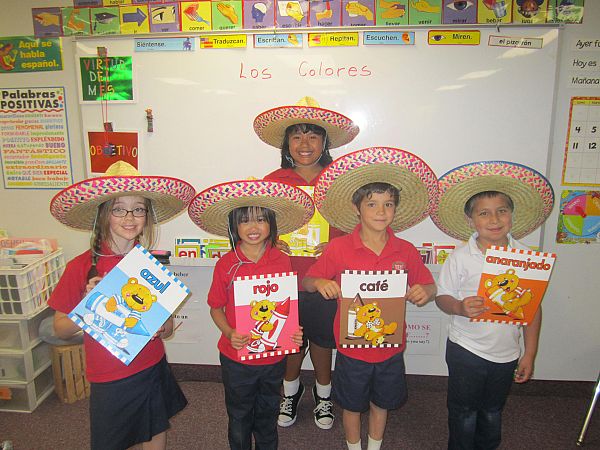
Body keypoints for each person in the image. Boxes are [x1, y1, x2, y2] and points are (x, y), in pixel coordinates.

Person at [48, 161, 195, 450]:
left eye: (138, 209)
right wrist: (89, 306)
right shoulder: (80, 267)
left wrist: (163, 327)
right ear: (103, 214)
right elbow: (60, 329)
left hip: (151, 364)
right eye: (119, 209)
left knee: (155, 426)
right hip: (109, 375)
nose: (130, 217)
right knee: (110, 440)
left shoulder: (149, 266)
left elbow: (166, 327)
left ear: (147, 216)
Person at [302, 147, 439, 450]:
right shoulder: (338, 248)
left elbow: (429, 285)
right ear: (357, 208)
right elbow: (308, 281)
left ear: (395, 209)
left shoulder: (405, 250)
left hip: (390, 348)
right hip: (351, 349)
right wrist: (320, 282)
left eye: (388, 204)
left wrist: (425, 291)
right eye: (372, 204)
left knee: (382, 403)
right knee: (351, 406)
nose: (381, 211)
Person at [430, 160, 555, 450]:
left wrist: (529, 353)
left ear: (512, 215)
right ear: (471, 221)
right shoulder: (461, 257)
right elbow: (442, 297)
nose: (494, 219)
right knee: (463, 409)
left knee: (492, 410)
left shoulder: (525, 258)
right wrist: (459, 307)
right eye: (484, 213)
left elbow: (532, 309)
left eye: (502, 210)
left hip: (506, 353)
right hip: (466, 348)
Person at [253, 96, 360, 429]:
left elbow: (357, 225)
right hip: (283, 275)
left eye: (313, 136)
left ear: (325, 142)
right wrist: (271, 240)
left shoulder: (339, 180)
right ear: (286, 143)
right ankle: (291, 391)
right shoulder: (274, 181)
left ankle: (324, 394)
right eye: (296, 136)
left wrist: (338, 244)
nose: (304, 144)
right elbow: (257, 225)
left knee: (324, 340)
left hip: (326, 276)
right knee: (289, 338)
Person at [187, 179, 314, 450]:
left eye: (260, 219)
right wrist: (229, 332)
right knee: (239, 416)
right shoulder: (226, 264)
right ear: (234, 226)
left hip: (273, 357)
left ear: (271, 224)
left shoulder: (282, 259)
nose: (253, 227)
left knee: (268, 414)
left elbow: (285, 307)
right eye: (244, 221)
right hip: (236, 358)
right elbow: (215, 307)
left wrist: (293, 331)